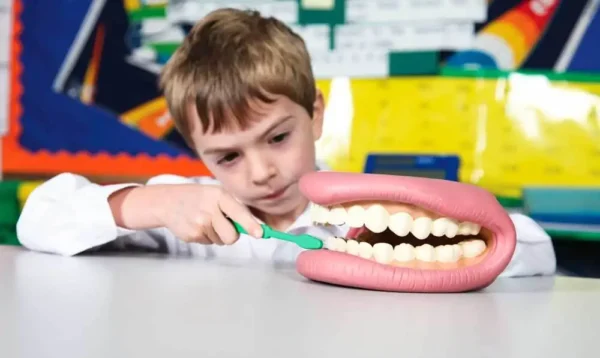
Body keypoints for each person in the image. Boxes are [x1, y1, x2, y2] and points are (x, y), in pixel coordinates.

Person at [16, 8, 556, 277]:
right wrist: (148, 204)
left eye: (277, 137)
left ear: (315, 114)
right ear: (198, 152)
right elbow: (38, 218)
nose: (260, 172)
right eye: (227, 156)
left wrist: (427, 240)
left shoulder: (370, 209)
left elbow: (533, 248)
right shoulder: (183, 217)